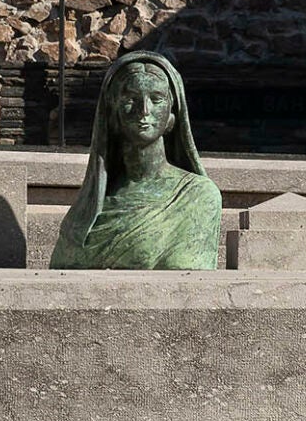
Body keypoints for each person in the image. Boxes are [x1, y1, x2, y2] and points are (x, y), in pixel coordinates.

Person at [51, 51, 222, 270]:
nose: (144, 111)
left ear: (172, 115)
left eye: (156, 99)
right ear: (112, 113)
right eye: (131, 99)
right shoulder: (86, 215)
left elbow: (187, 274)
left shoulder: (197, 197)